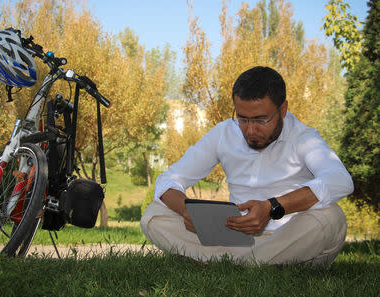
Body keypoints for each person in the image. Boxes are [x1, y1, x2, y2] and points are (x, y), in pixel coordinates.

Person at [140, 66, 354, 265]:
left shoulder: (304, 137)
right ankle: (256, 263)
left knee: (331, 219)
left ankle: (220, 261)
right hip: (234, 237)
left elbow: (339, 180)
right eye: (242, 118)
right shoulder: (224, 133)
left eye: (261, 120)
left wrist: (273, 207)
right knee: (154, 215)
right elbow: (168, 180)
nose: (250, 130)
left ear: (283, 109)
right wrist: (187, 211)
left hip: (289, 235)